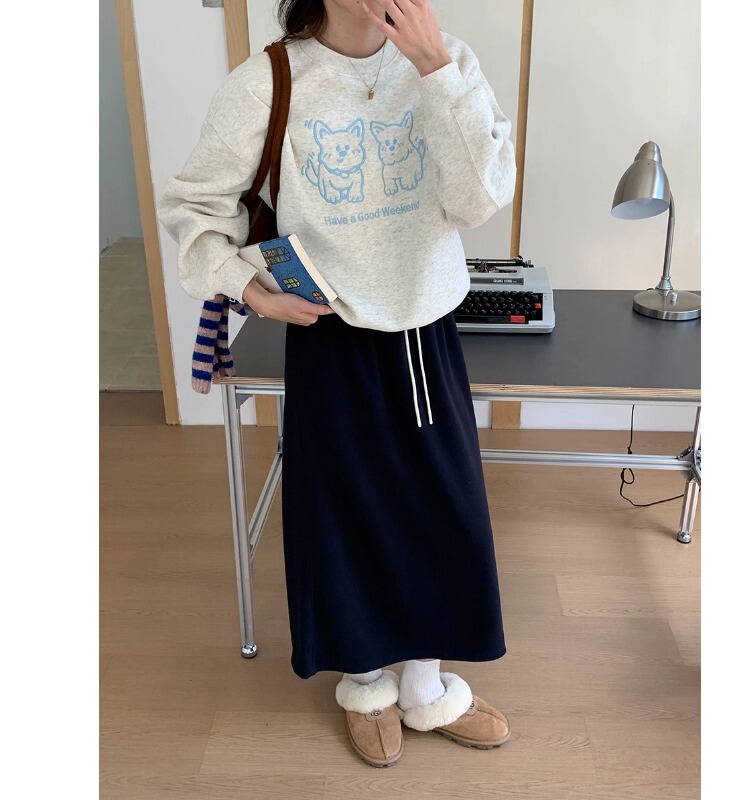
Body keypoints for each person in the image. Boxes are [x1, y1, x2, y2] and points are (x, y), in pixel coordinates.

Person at [158, 0, 517, 768]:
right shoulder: (268, 81)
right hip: (330, 331)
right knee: (342, 512)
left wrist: (434, 69)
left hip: (424, 327)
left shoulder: (447, 60)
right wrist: (249, 290)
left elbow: (481, 198)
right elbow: (193, 206)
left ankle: (424, 684)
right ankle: (364, 681)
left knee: (440, 510)